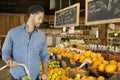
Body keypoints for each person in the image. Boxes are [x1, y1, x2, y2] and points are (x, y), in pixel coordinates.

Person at [2, 5, 48, 80]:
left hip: (34, 76)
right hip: (17, 76)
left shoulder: (41, 36)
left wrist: (45, 73)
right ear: (31, 16)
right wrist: (9, 61)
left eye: (42, 19)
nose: (41, 21)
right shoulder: (13, 32)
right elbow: (5, 51)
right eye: (39, 18)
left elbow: (44, 56)